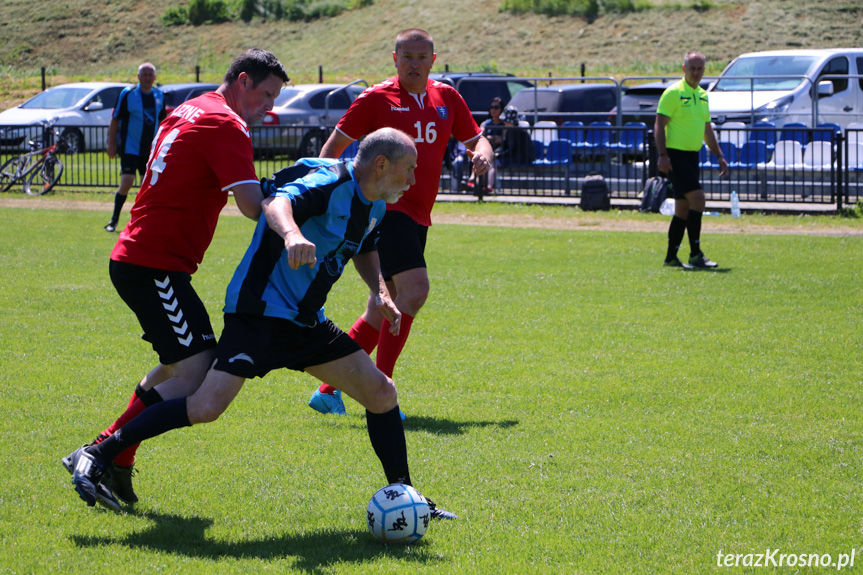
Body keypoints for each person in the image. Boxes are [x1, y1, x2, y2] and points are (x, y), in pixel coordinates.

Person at [68, 127, 457, 520]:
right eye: (409, 169)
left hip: (306, 324)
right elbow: (277, 202)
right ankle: (98, 454)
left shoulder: (373, 205)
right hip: (258, 315)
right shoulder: (329, 182)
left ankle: (407, 496)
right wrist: (291, 235)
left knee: (381, 393)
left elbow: (366, 246)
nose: (413, 179)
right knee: (205, 405)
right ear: (381, 164)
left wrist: (381, 292)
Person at [62, 49, 289, 508]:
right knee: (198, 370)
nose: (270, 106)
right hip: (154, 264)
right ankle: (100, 452)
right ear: (242, 81)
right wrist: (297, 209)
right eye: (266, 94)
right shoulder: (225, 122)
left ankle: (117, 459)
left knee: (174, 364)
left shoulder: (191, 106)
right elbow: (250, 204)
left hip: (145, 256)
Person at [307, 28, 494, 416]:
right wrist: (329, 199)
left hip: (418, 215)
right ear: (395, 59)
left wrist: (483, 155)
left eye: (421, 57)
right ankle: (382, 394)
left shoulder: (447, 98)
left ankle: (328, 390)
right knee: (414, 291)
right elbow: (332, 149)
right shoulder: (376, 98)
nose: (414, 63)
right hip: (384, 211)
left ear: (432, 60)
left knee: (382, 309)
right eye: (406, 56)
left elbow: (478, 139)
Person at [655, 50, 728, 269]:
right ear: (684, 69)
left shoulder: (703, 95)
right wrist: (662, 155)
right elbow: (659, 125)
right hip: (675, 155)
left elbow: (706, 128)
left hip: (692, 156)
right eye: (692, 68)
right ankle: (696, 254)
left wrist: (719, 155)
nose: (696, 73)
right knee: (698, 199)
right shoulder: (673, 93)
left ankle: (671, 258)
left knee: (683, 210)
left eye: (700, 69)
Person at [104, 63, 167, 233]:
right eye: (144, 74)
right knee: (126, 182)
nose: (147, 78)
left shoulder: (159, 95)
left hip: (151, 151)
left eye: (150, 74)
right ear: (138, 77)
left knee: (148, 188)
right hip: (130, 148)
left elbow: (163, 122)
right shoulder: (128, 94)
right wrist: (111, 143)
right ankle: (114, 220)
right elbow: (115, 119)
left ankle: (144, 223)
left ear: (154, 77)